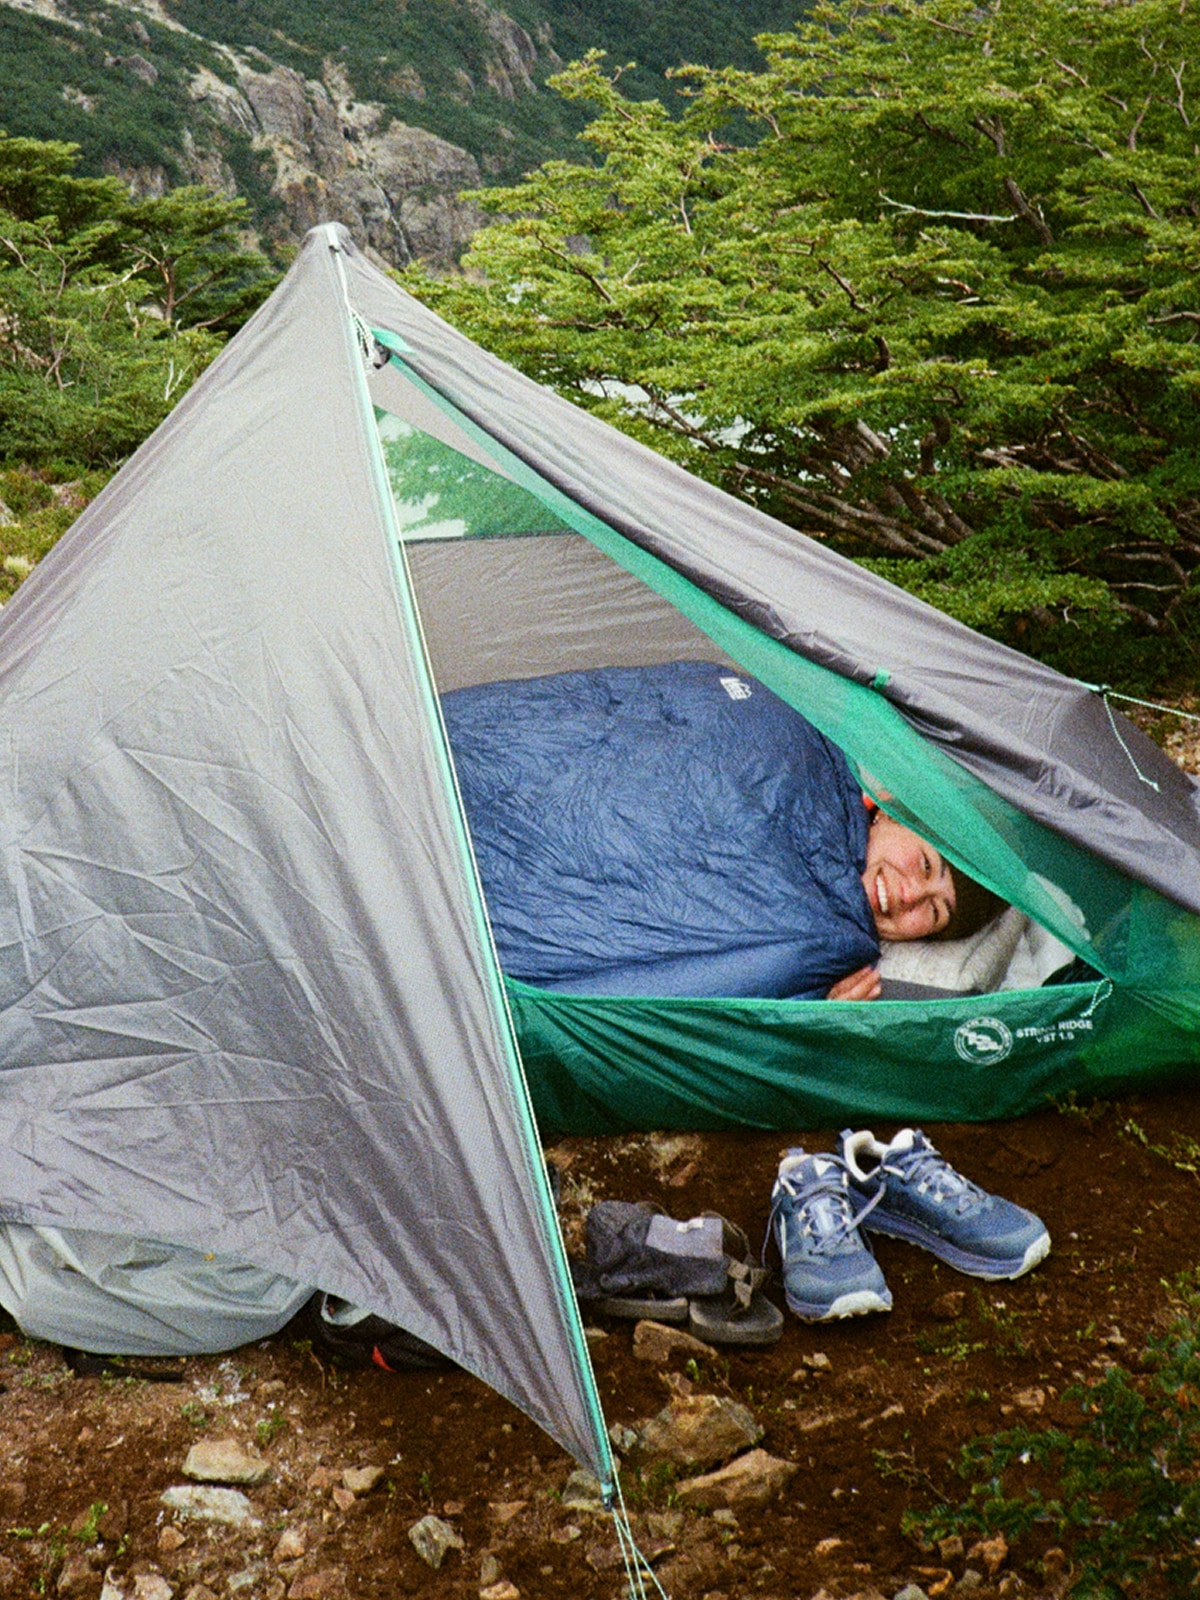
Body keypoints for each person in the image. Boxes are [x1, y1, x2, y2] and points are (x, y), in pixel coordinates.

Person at [441, 659, 1003, 1002]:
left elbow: (689, 996)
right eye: (926, 866)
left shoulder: (825, 944)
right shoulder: (793, 727)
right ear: (888, 809)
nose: (907, 894)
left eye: (931, 914)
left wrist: (815, 1013)